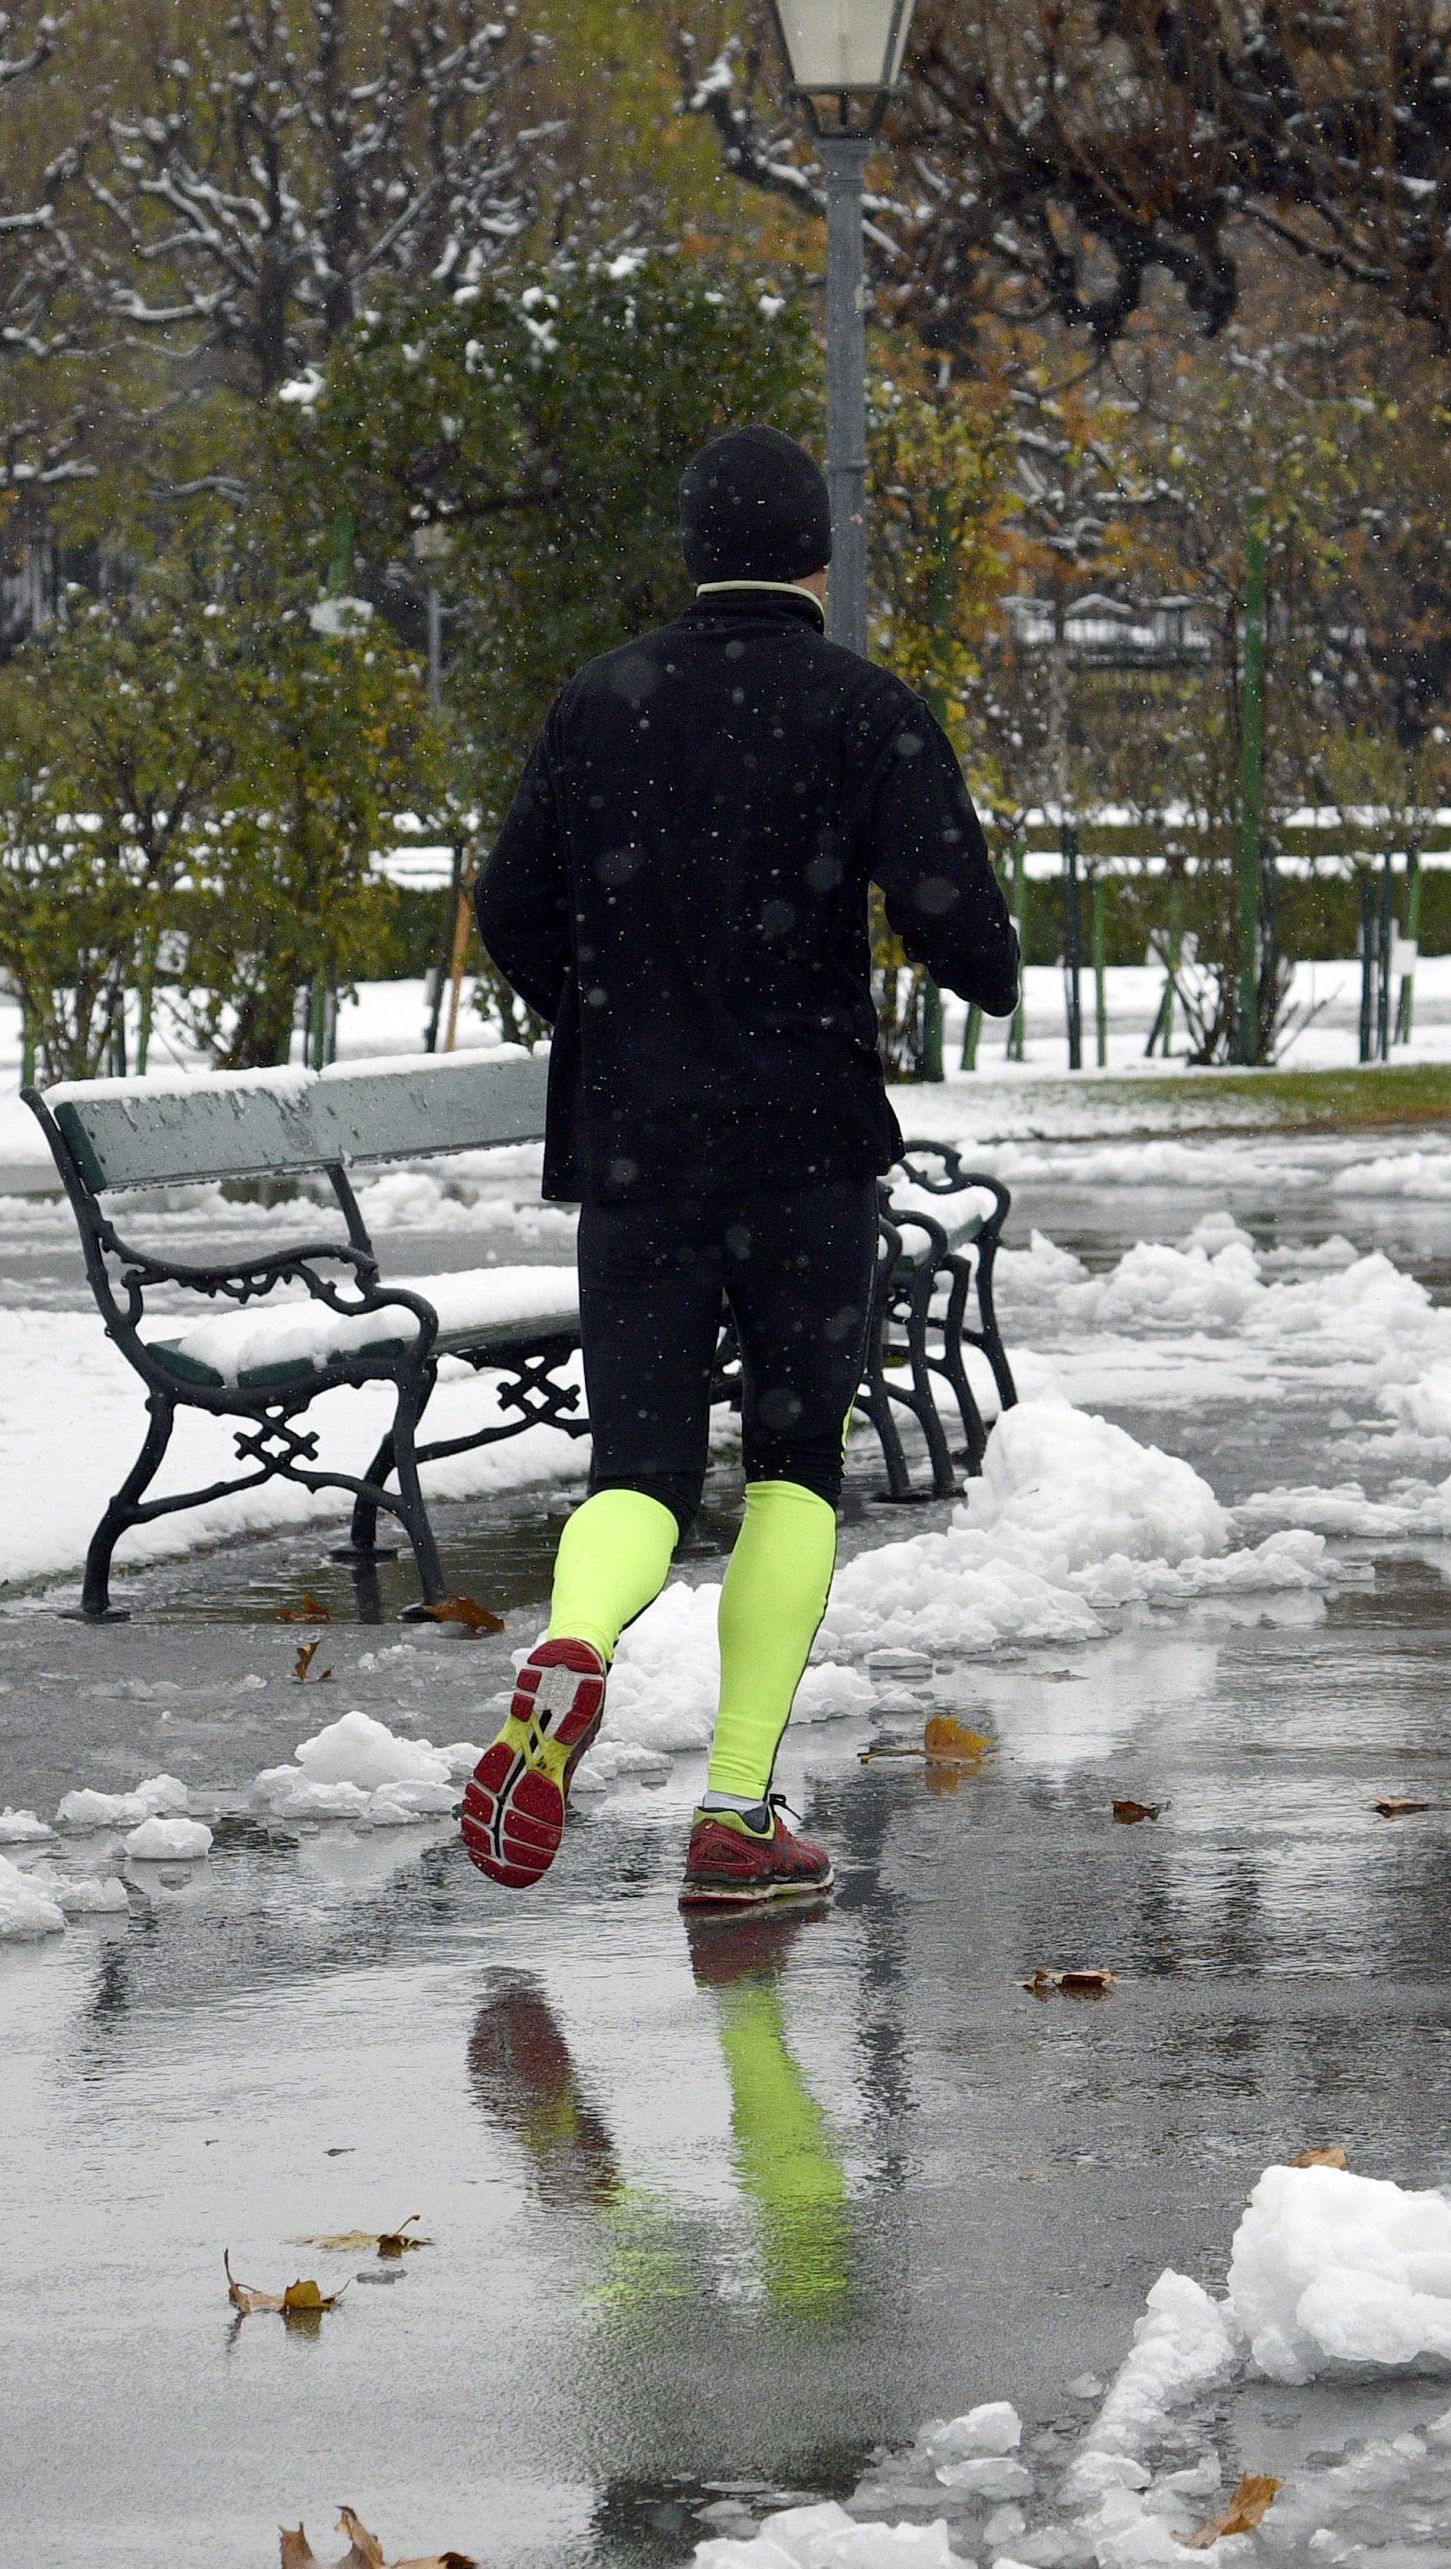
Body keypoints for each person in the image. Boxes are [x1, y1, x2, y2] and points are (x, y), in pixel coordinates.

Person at [457, 423, 1019, 1911]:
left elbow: (514, 906)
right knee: (789, 1470)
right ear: (817, 560)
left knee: (636, 1468)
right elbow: (971, 941)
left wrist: (620, 1004)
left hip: (635, 1153)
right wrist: (929, 938)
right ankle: (734, 1809)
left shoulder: (601, 702)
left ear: (693, 553)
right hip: (803, 1148)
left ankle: (574, 1644)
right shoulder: (862, 709)